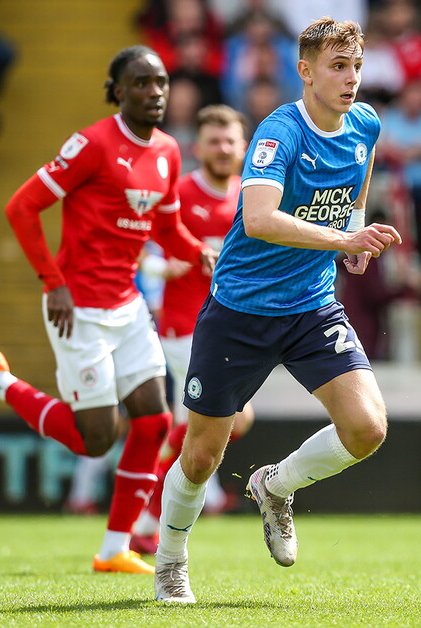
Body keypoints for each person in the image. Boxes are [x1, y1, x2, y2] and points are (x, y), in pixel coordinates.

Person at [153, 17, 402, 604]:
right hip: (240, 309)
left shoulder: (365, 123)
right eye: (338, 67)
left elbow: (358, 174)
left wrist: (354, 228)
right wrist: (341, 241)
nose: (351, 79)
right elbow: (260, 219)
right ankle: (169, 558)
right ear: (306, 70)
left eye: (357, 67)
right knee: (201, 455)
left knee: (367, 428)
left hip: (312, 307)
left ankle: (274, 486)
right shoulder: (278, 131)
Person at [0, 46, 215, 576]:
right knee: (95, 439)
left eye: (160, 83)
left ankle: (114, 549)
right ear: (116, 91)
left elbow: (165, 227)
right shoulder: (92, 144)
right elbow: (21, 207)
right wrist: (53, 281)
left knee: (154, 420)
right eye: (140, 83)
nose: (154, 93)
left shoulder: (168, 151)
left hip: (128, 306)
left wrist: (199, 253)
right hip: (79, 308)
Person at [130, 104, 255, 554]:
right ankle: (149, 512)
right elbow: (143, 251)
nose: (222, 149)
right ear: (197, 147)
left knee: (200, 427)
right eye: (214, 141)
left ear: (244, 148)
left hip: (234, 330)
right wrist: (166, 265)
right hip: (186, 329)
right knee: (234, 418)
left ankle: (145, 512)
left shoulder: (253, 196)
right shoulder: (179, 193)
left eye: (230, 141)